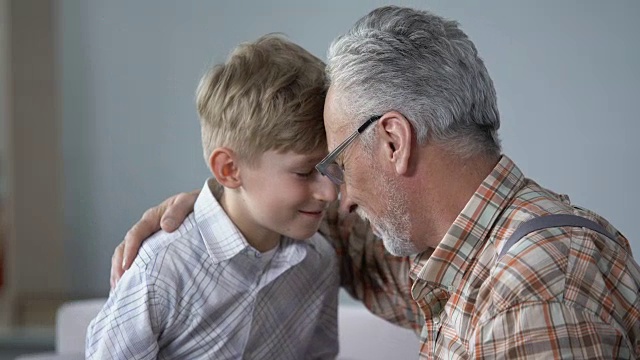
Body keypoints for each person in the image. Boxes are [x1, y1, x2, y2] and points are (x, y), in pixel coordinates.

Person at [111, 6, 640, 359]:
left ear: (393, 141)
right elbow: (293, 224)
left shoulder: (533, 292)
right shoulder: (446, 254)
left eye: (336, 164)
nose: (337, 195)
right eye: (314, 173)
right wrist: (221, 211)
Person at [87, 34, 340, 359]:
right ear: (229, 169)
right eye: (305, 172)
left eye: (333, 166)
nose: (330, 191)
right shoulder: (160, 270)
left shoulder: (320, 262)